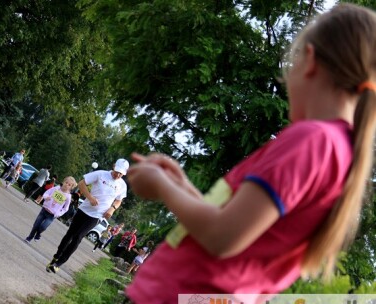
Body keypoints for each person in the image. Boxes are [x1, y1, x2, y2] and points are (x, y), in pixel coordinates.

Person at [124, 4, 376, 303]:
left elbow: (222, 236)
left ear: (309, 61)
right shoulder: (339, 152)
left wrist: (163, 188)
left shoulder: (313, 140)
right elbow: (235, 224)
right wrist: (182, 186)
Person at [46, 158, 130, 274]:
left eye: (121, 173)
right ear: (114, 166)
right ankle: (57, 256)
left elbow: (118, 201)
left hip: (97, 215)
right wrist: (90, 198)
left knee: (78, 237)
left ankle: (59, 263)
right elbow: (81, 183)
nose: (118, 175)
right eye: (117, 171)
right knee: (70, 234)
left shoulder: (122, 185)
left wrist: (112, 208)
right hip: (84, 209)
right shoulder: (101, 174)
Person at [25, 176, 77, 242]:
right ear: (63, 182)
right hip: (44, 210)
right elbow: (47, 193)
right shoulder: (57, 188)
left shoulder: (68, 196)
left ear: (71, 187)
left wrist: (58, 213)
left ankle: (38, 234)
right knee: (36, 225)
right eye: (66, 182)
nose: (67, 185)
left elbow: (65, 208)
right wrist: (46, 197)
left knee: (43, 227)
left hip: (52, 215)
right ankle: (29, 238)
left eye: (69, 185)